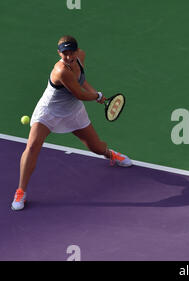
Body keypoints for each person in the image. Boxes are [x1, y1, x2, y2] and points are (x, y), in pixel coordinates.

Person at [11, 35, 132, 211]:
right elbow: (80, 94)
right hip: (49, 112)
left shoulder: (80, 57)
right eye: (64, 53)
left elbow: (83, 82)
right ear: (59, 53)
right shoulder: (61, 71)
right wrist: (96, 96)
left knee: (96, 147)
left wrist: (94, 92)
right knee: (31, 147)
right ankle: (21, 191)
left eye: (71, 52)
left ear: (77, 51)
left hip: (73, 111)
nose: (67, 56)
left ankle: (110, 154)